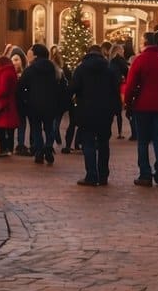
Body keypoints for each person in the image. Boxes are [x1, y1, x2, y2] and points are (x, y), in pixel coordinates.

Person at [124, 30, 158, 187]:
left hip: (142, 105)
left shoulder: (140, 60)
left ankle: (145, 174)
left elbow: (131, 84)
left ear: (145, 43)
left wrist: (127, 102)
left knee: (143, 141)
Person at [69, 45, 121, 186]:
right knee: (104, 143)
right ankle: (103, 175)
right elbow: (115, 91)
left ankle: (91, 175)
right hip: (105, 112)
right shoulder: (109, 69)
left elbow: (73, 88)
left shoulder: (81, 68)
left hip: (86, 111)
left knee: (88, 143)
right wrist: (116, 110)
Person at [17, 44, 68, 165]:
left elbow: (20, 87)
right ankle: (49, 146)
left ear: (35, 55)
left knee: (36, 129)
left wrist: (25, 99)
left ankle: (39, 152)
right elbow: (62, 87)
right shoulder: (55, 69)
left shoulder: (30, 70)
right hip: (51, 104)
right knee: (49, 127)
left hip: (34, 104)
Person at [0, 50, 21, 157]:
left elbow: (2, 89)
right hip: (10, 104)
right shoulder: (10, 72)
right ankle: (9, 148)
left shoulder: (5, 73)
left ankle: (4, 149)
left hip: (4, 105)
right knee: (9, 130)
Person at [10, 50, 30, 156]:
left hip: (22, 103)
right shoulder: (9, 73)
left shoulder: (25, 73)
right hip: (12, 103)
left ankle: (20, 144)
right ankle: (10, 145)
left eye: (17, 60)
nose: (15, 63)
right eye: (13, 60)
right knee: (12, 125)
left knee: (22, 123)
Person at [108, 43, 130, 139]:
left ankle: (108, 130)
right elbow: (127, 72)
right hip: (118, 87)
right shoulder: (120, 60)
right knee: (118, 112)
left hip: (110, 87)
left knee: (111, 112)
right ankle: (119, 133)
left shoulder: (110, 61)